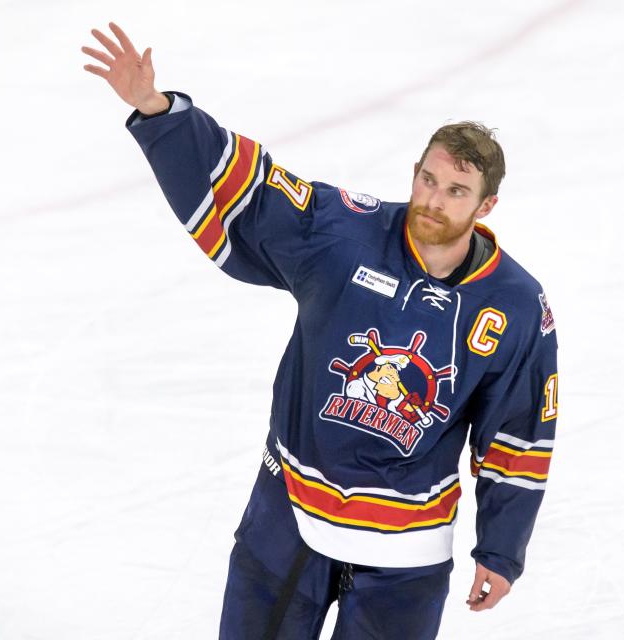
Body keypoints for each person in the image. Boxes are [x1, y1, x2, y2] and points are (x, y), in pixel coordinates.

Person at [83, 22, 558, 639]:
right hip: (290, 514)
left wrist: (500, 549)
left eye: (456, 191)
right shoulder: (344, 233)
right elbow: (252, 192)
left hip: (405, 551)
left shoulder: (515, 305)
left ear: (486, 205)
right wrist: (158, 111)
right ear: (415, 172)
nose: (434, 201)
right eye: (429, 180)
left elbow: (518, 434)